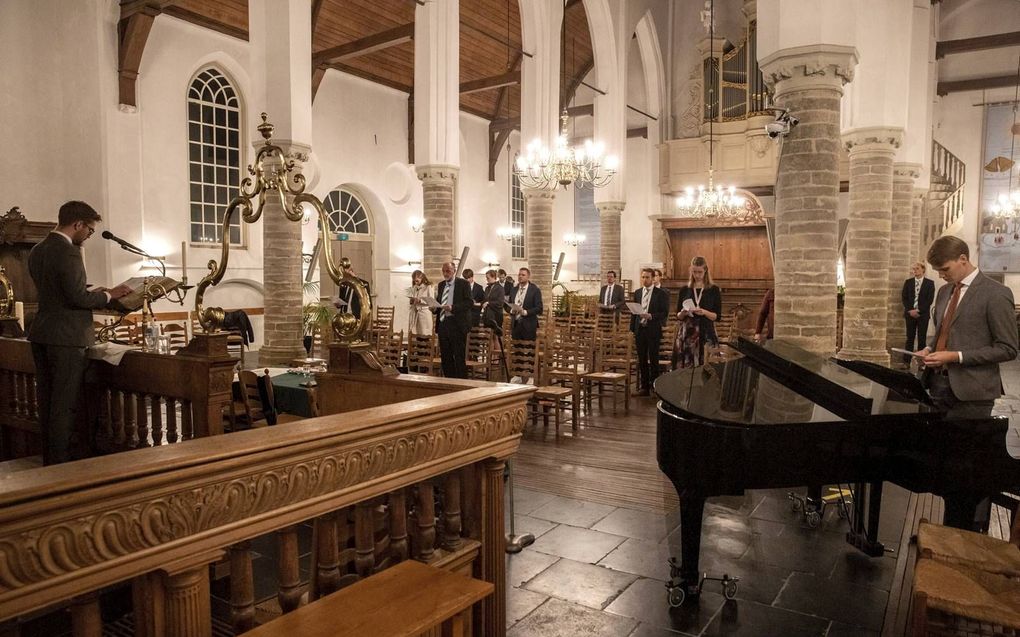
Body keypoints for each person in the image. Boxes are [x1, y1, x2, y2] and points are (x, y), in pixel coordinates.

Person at [916, 236, 1018, 531]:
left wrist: (957, 356)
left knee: (964, 472)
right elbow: (942, 333)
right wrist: (929, 350)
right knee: (942, 467)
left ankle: (961, 532)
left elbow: (1008, 348)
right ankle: (943, 532)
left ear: (963, 259)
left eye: (944, 268)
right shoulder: (945, 291)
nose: (940, 275)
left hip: (972, 393)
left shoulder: (995, 293)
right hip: (937, 386)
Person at [28, 200, 132, 465]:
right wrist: (110, 295)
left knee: (48, 400)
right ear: (78, 224)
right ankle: (60, 467)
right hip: (67, 338)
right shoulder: (69, 251)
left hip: (41, 333)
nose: (88, 235)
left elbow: (59, 292)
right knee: (64, 403)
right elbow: (77, 299)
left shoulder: (38, 250)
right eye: (89, 230)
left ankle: (49, 460)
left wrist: (89, 292)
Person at [672, 256, 722, 369]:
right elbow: (678, 316)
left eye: (700, 272)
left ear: (705, 271)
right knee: (687, 368)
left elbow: (717, 316)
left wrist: (704, 312)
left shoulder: (713, 290)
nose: (697, 275)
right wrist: (683, 313)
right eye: (694, 272)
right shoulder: (684, 290)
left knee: (707, 367)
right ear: (691, 271)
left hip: (706, 331)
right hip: (688, 333)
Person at [631, 268, 669, 396]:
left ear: (653, 278)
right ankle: (644, 387)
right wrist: (632, 329)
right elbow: (634, 313)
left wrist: (651, 316)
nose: (644, 279)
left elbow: (664, 313)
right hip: (640, 329)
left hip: (653, 329)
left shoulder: (661, 293)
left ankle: (654, 387)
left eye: (647, 277)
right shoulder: (637, 292)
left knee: (653, 359)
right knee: (641, 359)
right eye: (642, 277)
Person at [433, 261, 472, 378]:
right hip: (443, 323)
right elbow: (440, 303)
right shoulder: (441, 285)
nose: (445, 273)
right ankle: (449, 381)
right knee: (445, 356)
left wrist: (453, 307)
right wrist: (434, 309)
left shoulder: (463, 284)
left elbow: (469, 302)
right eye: (444, 271)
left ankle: (461, 383)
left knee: (458, 356)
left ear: (454, 271)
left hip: (457, 324)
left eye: (448, 271)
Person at [901, 262, 934, 363]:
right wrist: (910, 310)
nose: (915, 271)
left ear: (923, 270)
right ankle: (906, 362)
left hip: (922, 315)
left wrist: (918, 310)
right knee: (909, 338)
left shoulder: (929, 283)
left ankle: (921, 362)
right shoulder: (908, 282)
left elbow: (929, 300)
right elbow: (904, 297)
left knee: (922, 338)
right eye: (913, 269)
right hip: (910, 314)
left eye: (917, 268)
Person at [509, 267, 543, 340]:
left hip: (529, 325)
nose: (520, 276)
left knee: (529, 349)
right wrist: (511, 310)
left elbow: (539, 308)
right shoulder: (513, 290)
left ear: (528, 276)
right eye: (519, 274)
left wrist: (525, 312)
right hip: (515, 324)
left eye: (523, 275)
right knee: (516, 349)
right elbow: (508, 305)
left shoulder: (535, 290)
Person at [406, 269, 434, 336]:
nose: (415, 282)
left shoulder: (428, 287)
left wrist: (420, 300)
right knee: (417, 335)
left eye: (417, 280)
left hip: (424, 314)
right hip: (416, 314)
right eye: (414, 281)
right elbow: (413, 297)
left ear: (421, 278)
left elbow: (432, 301)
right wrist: (412, 300)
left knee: (424, 335)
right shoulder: (415, 287)